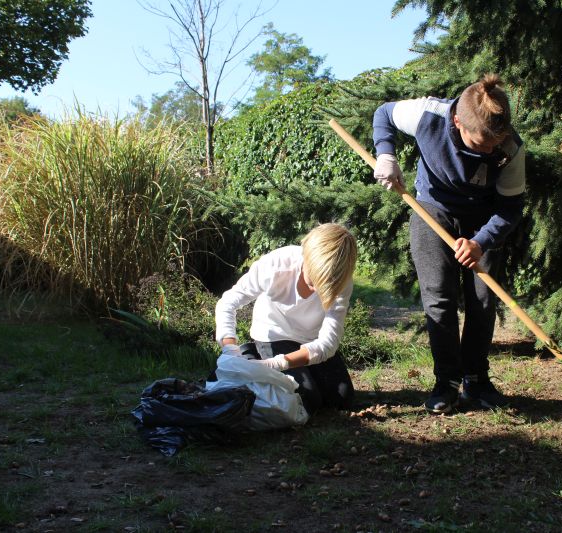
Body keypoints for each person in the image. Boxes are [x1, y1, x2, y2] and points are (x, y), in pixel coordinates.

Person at [372, 74, 526, 414]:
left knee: (483, 299)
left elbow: (511, 208)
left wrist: (481, 242)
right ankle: (446, 383)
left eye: (495, 144)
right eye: (481, 144)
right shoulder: (428, 115)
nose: (490, 151)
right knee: (438, 297)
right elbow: (384, 114)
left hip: (485, 218)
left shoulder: (510, 147)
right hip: (433, 208)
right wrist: (385, 155)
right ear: (457, 122)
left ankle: (476, 380)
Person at [214, 223, 358, 415]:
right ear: (306, 258)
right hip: (275, 336)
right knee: (307, 397)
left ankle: (264, 365)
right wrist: (230, 349)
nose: (318, 289)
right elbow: (228, 303)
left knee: (342, 397)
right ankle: (250, 355)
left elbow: (328, 343)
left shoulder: (342, 281)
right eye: (314, 281)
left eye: (326, 284)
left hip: (311, 340)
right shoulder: (276, 265)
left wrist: (277, 364)